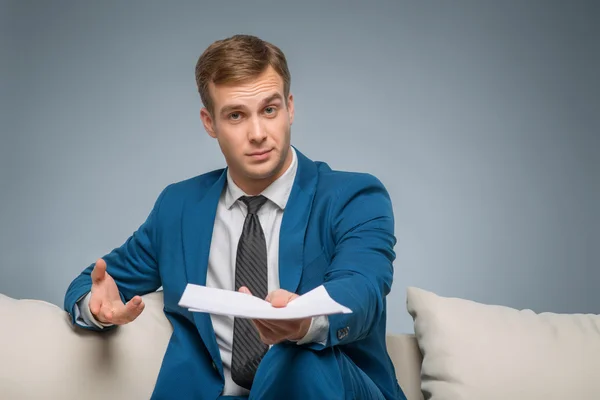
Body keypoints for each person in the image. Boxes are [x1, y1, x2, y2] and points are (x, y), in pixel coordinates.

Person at [64, 34, 406, 400]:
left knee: (297, 357)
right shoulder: (179, 208)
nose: (258, 134)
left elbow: (363, 288)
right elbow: (93, 283)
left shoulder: (353, 197)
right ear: (209, 122)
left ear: (290, 108)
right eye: (236, 115)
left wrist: (305, 322)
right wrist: (97, 309)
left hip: (328, 386)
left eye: (270, 110)